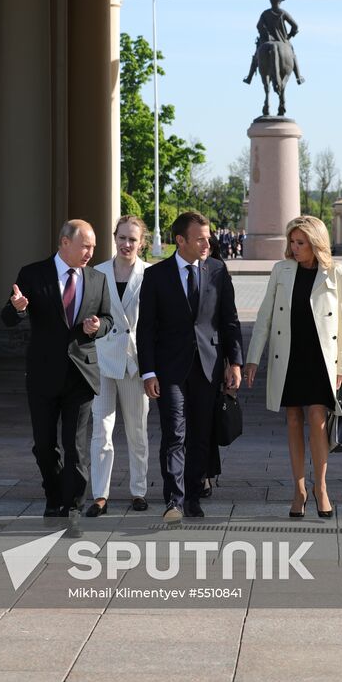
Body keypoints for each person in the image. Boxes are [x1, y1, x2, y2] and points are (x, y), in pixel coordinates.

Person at [137, 210, 243, 521]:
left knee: (200, 433)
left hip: (208, 367)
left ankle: (194, 496)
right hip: (169, 369)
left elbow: (229, 321)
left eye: (208, 237)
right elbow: (146, 329)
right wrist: (148, 371)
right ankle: (174, 501)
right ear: (180, 240)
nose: (206, 243)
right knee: (174, 433)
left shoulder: (218, 271)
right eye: (200, 239)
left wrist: (234, 362)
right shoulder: (156, 276)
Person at [1, 219, 113, 517]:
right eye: (85, 246)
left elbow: (108, 320)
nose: (90, 252)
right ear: (64, 242)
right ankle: (54, 497)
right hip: (43, 374)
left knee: (75, 446)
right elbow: (8, 317)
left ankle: (73, 504)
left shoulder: (97, 279)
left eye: (93, 247)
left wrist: (98, 326)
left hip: (81, 374)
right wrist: (18, 307)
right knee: (45, 445)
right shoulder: (33, 274)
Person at [244, 216, 342, 519]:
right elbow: (264, 316)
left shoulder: (335, 272)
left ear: (316, 243)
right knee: (292, 419)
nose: (294, 247)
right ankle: (299, 489)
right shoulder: (281, 270)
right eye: (292, 241)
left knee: (317, 418)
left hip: (320, 356)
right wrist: (253, 358)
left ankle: (321, 487)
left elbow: (341, 322)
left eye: (300, 242)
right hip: (287, 355)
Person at [86, 216, 151, 516]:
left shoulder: (150, 275)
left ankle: (139, 491)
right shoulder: (96, 272)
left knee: (137, 431)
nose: (126, 244)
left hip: (135, 362)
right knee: (101, 430)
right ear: (114, 238)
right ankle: (100, 494)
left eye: (132, 239)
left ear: (142, 243)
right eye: (122, 237)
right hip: (103, 360)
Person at [243, 0, 305, 86]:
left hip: (267, 41)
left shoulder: (265, 13)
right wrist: (289, 36)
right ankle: (298, 77)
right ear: (279, 2)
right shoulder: (283, 12)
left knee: (256, 56)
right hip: (282, 40)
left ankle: (249, 77)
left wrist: (265, 35)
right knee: (292, 54)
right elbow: (295, 26)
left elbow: (258, 26)